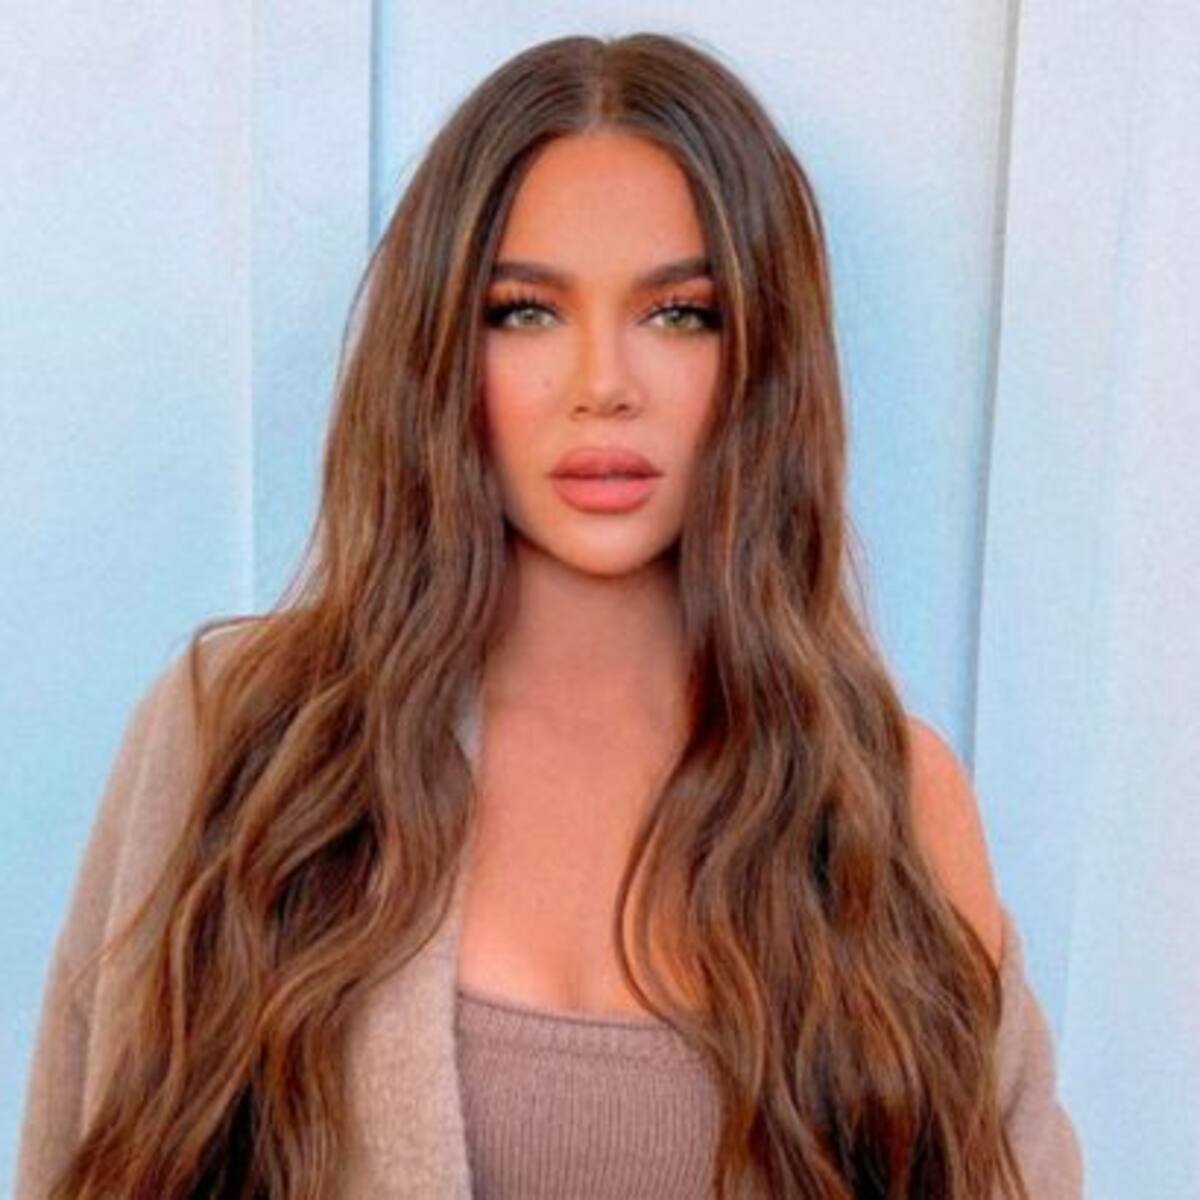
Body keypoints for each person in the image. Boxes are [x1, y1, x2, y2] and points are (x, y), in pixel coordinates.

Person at [16, 31, 1083, 1200]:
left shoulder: (888, 799)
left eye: (681, 314)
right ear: (441, 347)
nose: (602, 384)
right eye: (526, 312)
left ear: (763, 358)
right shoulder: (248, 744)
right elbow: (88, 1153)